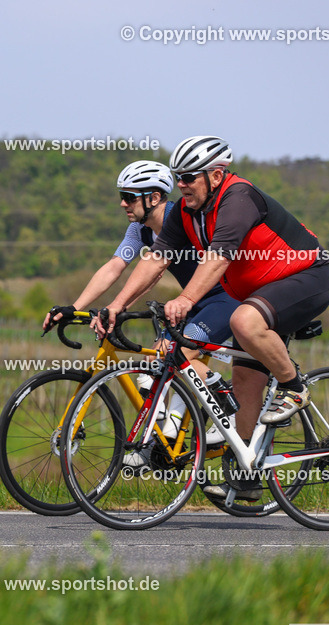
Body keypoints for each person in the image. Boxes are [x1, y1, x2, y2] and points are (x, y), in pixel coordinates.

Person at [100, 136, 329, 500]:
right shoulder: (184, 212)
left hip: (305, 277)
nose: (181, 184)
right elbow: (156, 259)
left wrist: (187, 298)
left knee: (244, 321)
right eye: (178, 177)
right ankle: (247, 473)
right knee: (244, 380)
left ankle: (294, 387)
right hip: (256, 294)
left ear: (216, 174)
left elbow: (220, 256)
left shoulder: (237, 199)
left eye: (189, 177)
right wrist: (116, 304)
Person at [44, 160, 240, 453]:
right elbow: (115, 266)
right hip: (193, 301)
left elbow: (155, 271)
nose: (123, 203)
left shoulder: (180, 218)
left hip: (226, 297)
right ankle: (163, 441)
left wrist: (115, 306)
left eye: (130, 197)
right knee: (157, 360)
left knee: (172, 356)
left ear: (155, 197)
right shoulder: (140, 230)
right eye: (121, 196)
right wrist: (75, 307)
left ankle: (233, 409)